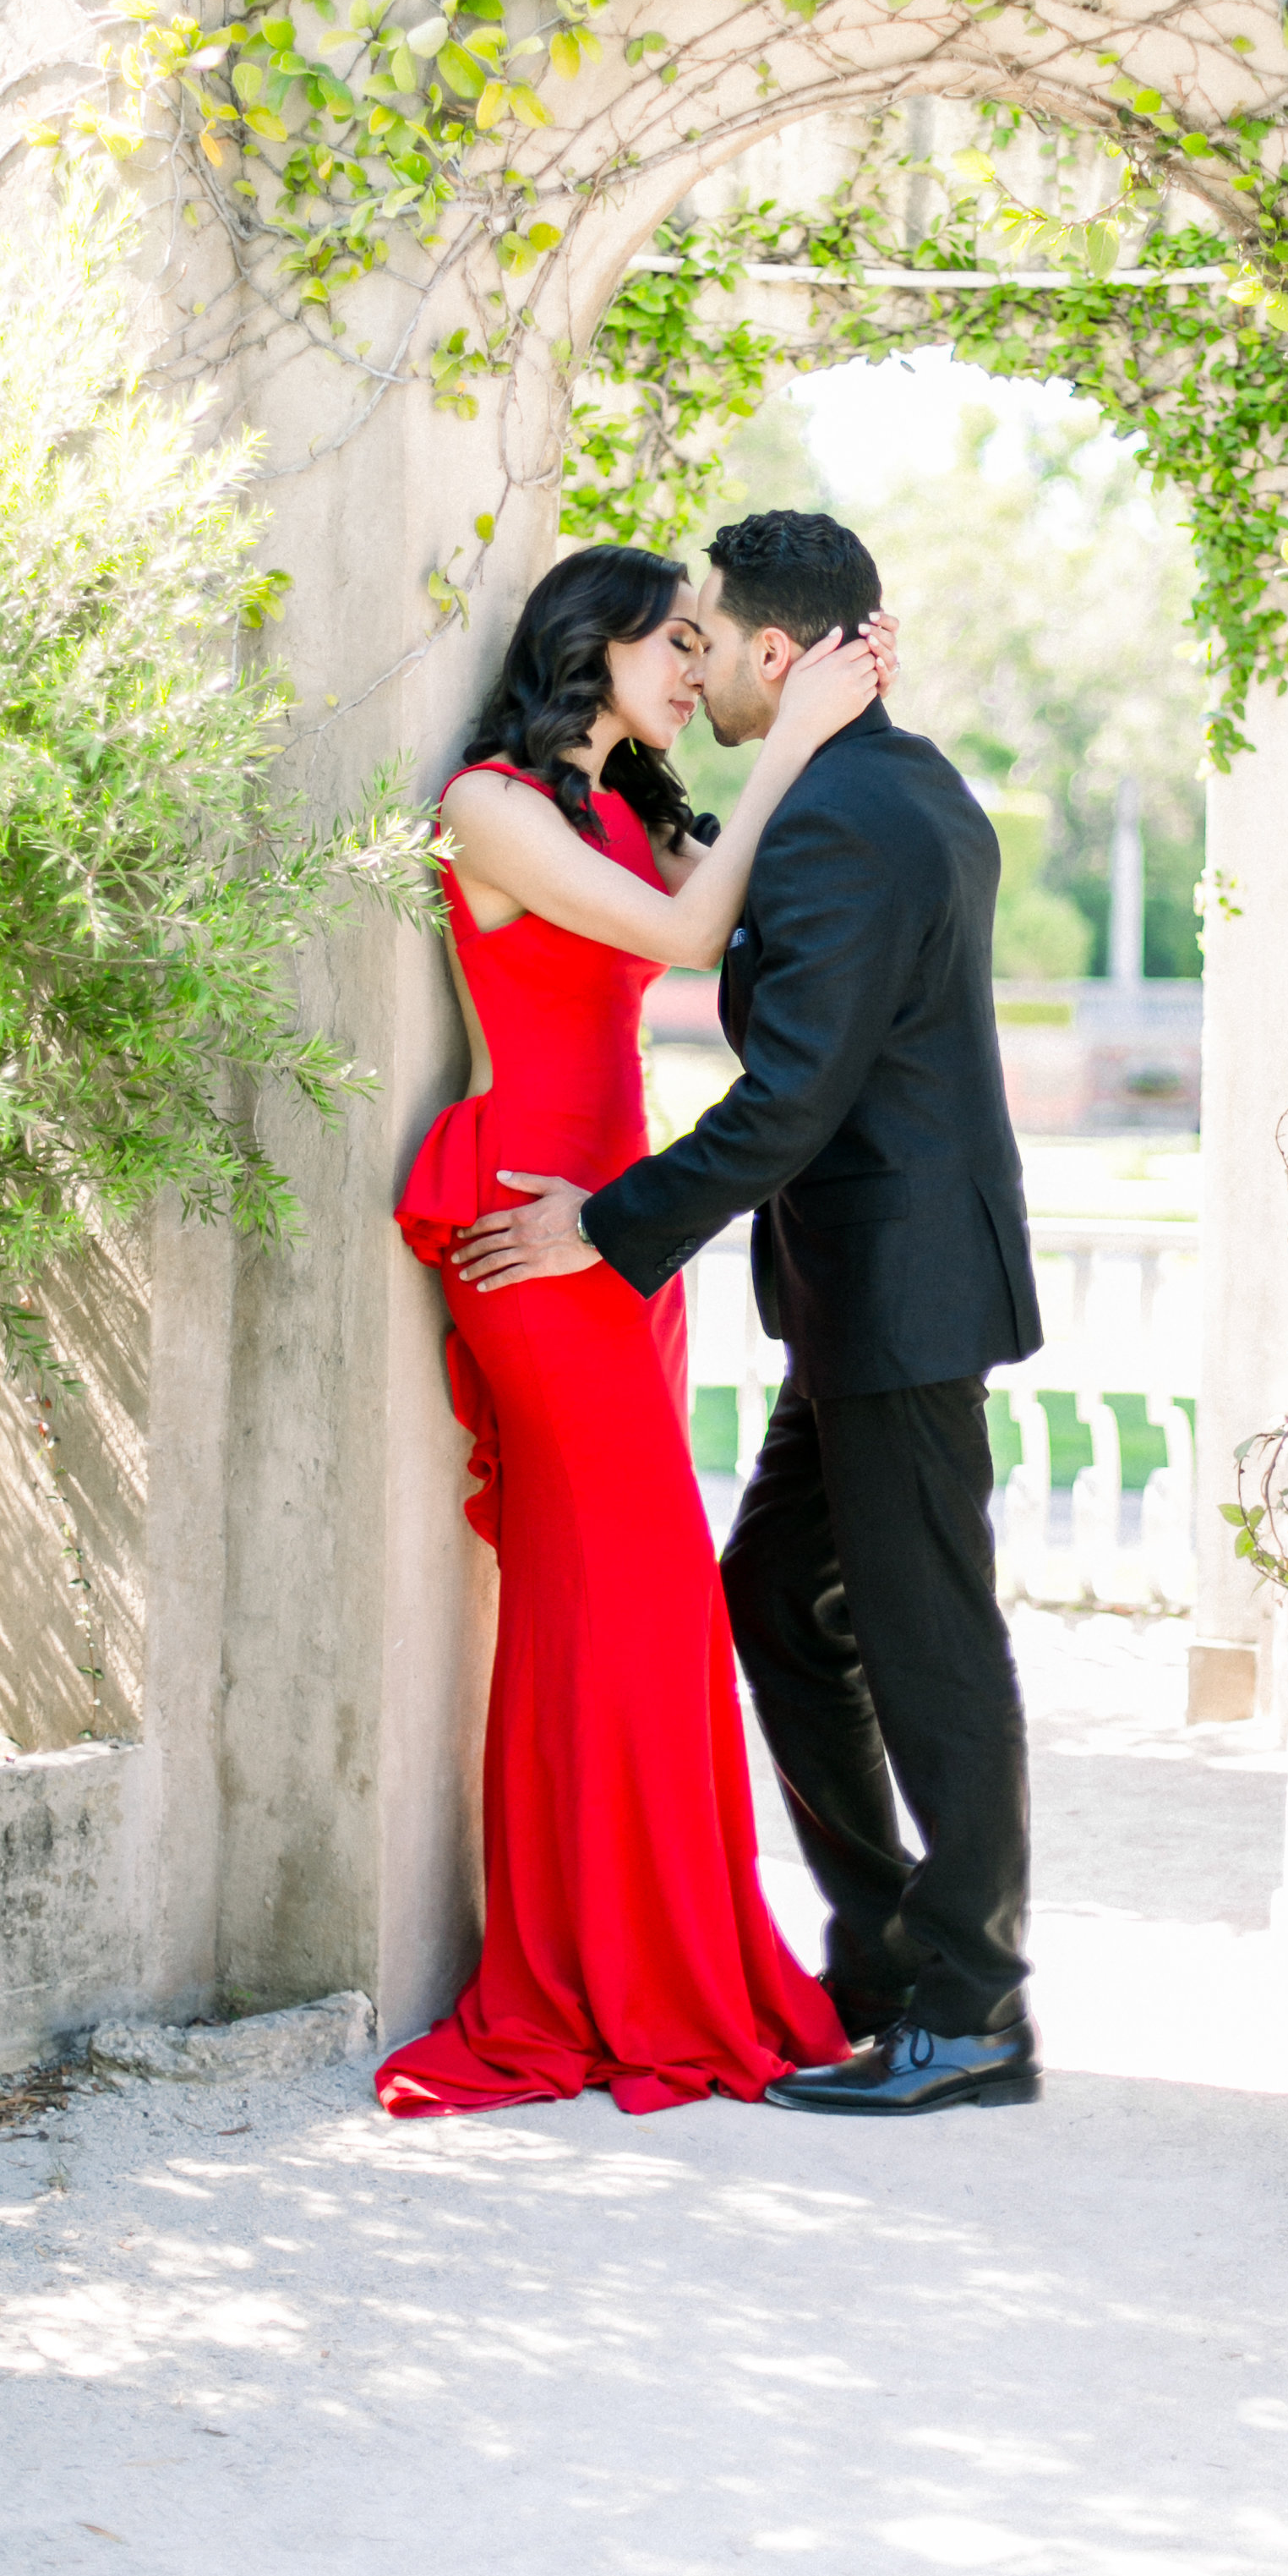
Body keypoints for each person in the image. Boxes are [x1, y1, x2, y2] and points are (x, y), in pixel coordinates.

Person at [459, 509, 1045, 2117]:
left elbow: (788, 1099)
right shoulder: (881, 782)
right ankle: (882, 1951)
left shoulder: (850, 816)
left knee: (930, 1640)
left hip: (899, 1292)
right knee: (783, 1600)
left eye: (716, 634)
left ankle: (971, 2003)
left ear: (785, 658)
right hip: (869, 1289)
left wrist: (611, 1229)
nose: (701, 656)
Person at [374, 541, 890, 2119]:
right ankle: (621, 1974)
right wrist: (795, 730)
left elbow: (734, 925)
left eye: (709, 648)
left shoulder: (619, 811)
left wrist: (839, 742)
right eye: (676, 643)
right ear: (588, 646)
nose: (696, 670)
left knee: (606, 1605)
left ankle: (631, 1951)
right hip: (529, 1226)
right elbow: (680, 943)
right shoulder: (491, 805)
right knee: (647, 1596)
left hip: (617, 1233)